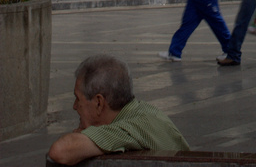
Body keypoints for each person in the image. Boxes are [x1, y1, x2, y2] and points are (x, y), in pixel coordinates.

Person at [47, 54, 189, 164]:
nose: (74, 106)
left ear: (99, 103)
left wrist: (87, 135)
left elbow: (60, 151)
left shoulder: (131, 128)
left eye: (78, 98)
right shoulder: (144, 112)